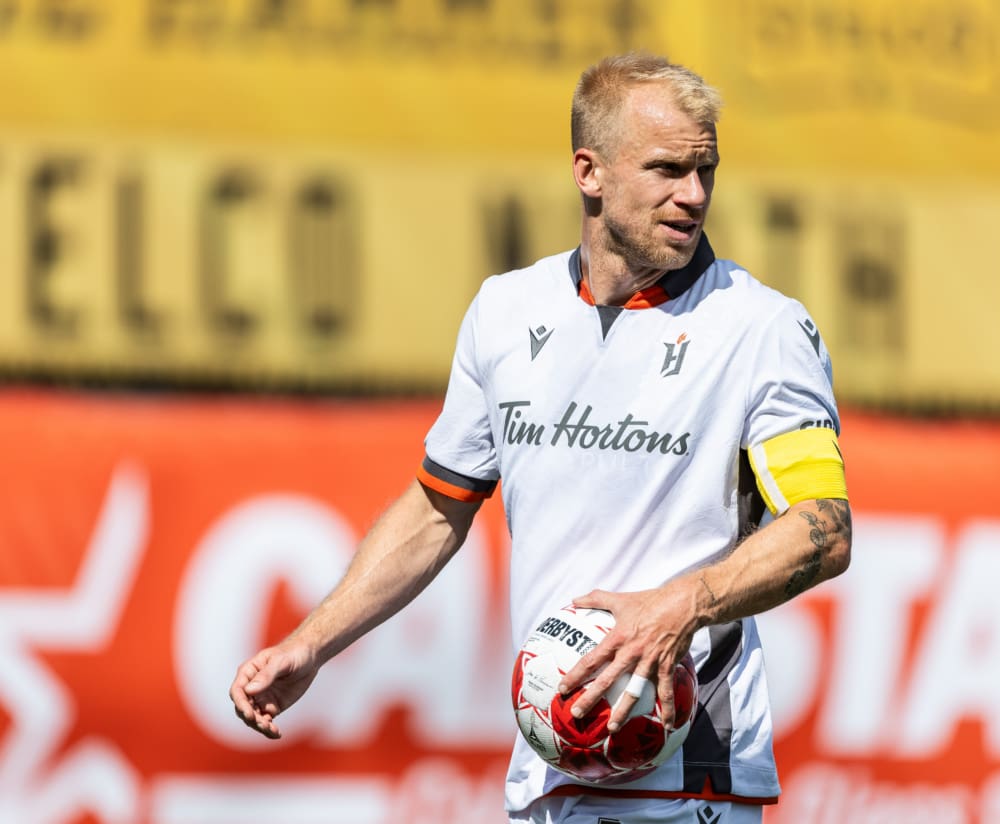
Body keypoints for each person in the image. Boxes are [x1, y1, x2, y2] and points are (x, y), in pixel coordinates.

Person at [230, 51, 852, 824]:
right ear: (589, 172)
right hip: (548, 773)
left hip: (686, 782)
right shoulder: (503, 311)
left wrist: (678, 608)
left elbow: (823, 530)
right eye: (665, 169)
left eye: (706, 171)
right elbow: (436, 510)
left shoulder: (762, 329)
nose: (693, 196)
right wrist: (311, 642)